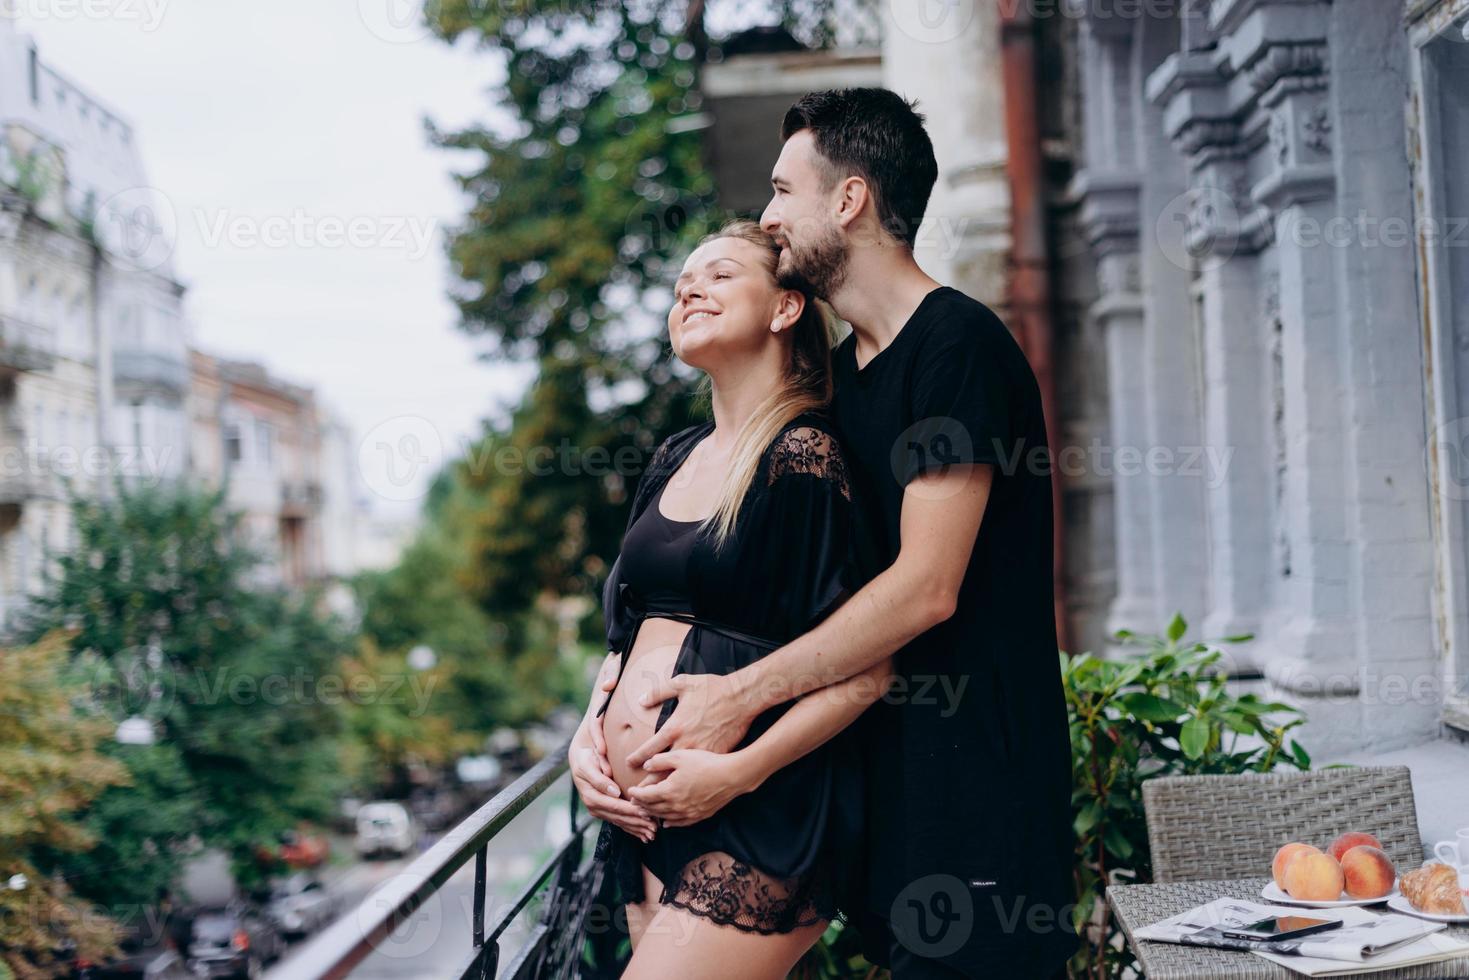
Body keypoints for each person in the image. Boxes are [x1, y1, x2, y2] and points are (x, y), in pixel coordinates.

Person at [624, 88, 1080, 978]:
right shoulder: (836, 382)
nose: (768, 216)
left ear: (848, 200)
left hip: (976, 799)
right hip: (876, 797)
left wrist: (737, 700)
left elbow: (925, 587)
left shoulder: (958, 346)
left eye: (783, 191)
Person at [567, 219, 892, 979]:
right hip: (642, 818)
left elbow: (866, 673)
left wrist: (740, 770)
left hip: (755, 812)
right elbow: (627, 638)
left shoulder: (801, 455)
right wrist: (587, 741)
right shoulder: (674, 455)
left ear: (784, 310)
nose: (689, 287)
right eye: (682, 281)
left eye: (717, 274)